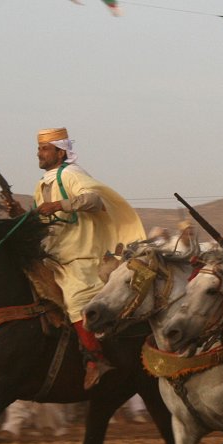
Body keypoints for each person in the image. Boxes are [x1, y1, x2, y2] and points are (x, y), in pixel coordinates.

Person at [34, 127, 146, 388]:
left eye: (45, 148)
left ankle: (95, 359)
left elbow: (95, 200)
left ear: (61, 152)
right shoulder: (42, 185)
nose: (39, 153)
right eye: (39, 148)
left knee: (75, 299)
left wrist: (60, 204)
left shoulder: (72, 174)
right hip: (55, 257)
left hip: (82, 256)